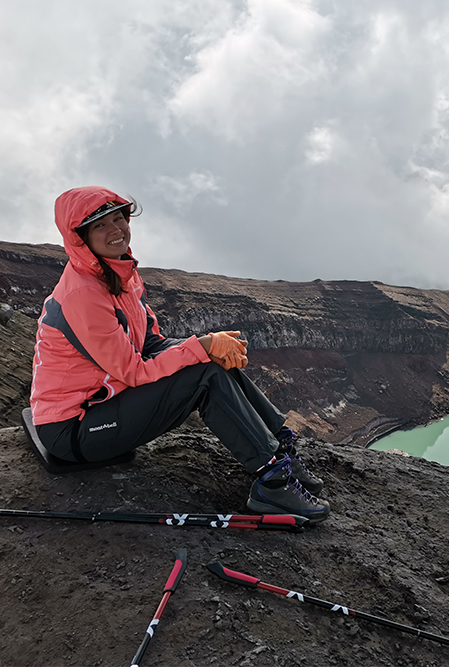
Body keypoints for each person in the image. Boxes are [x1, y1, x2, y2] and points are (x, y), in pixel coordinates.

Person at [29, 185, 329, 522]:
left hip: (100, 405)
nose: (116, 230)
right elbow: (134, 372)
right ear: (80, 236)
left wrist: (209, 345)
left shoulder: (119, 272)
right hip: (74, 429)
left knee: (208, 362)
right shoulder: (84, 294)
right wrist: (200, 348)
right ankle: (273, 485)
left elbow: (150, 343)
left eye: (118, 218)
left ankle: (281, 450)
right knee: (203, 374)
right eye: (100, 225)